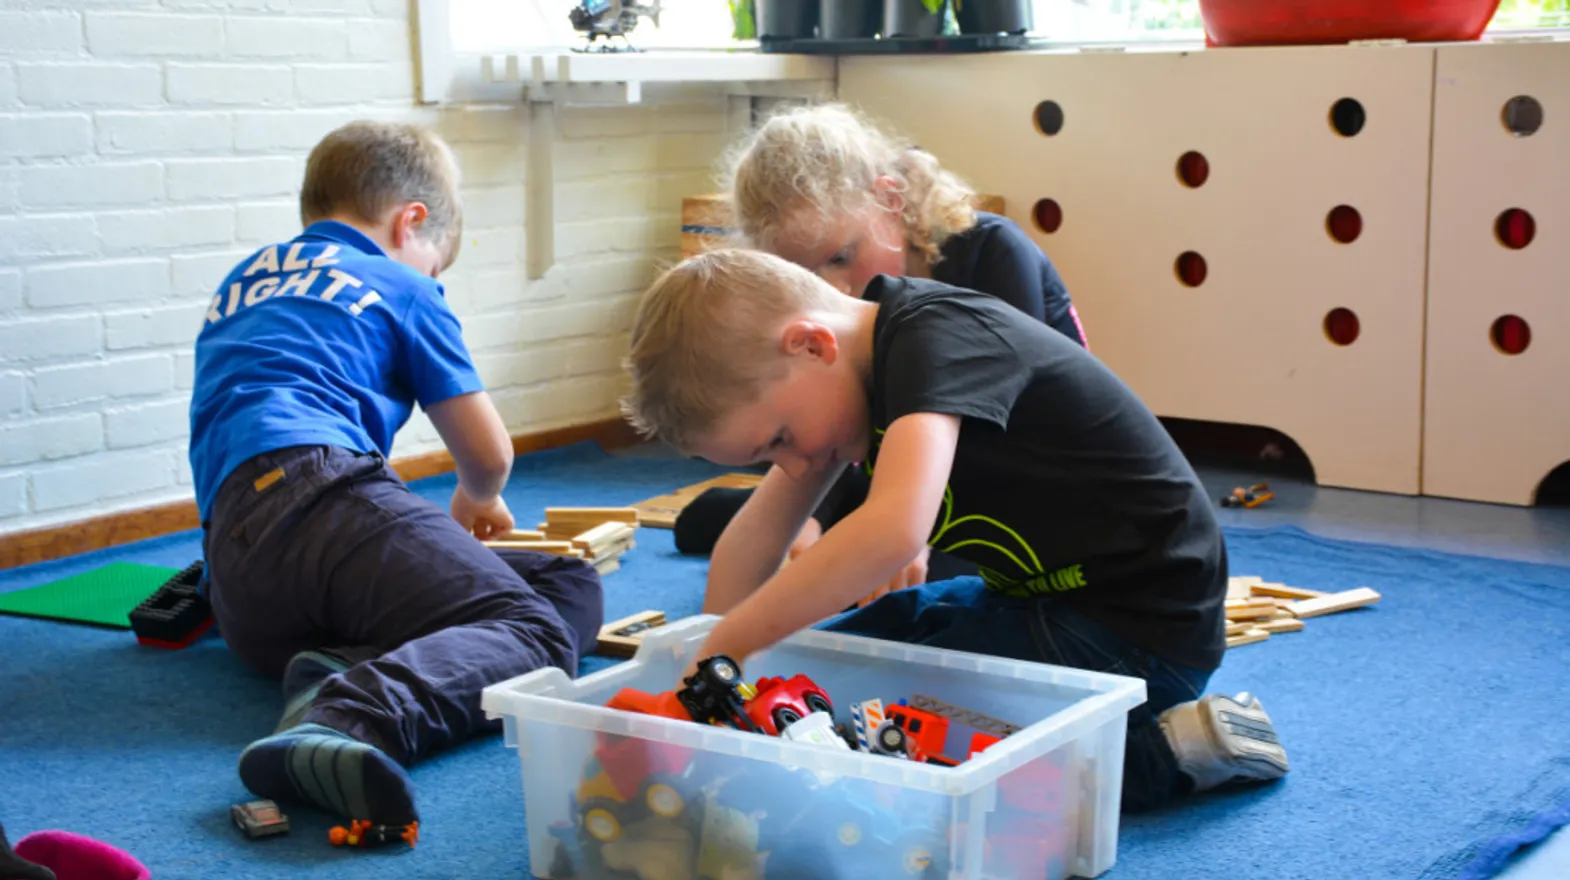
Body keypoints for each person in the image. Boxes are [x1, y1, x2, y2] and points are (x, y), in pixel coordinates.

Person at [621, 249, 1288, 813]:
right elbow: (751, 541)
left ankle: (1169, 753)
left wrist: (733, 641)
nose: (793, 465)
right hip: (1029, 604)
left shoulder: (938, 340)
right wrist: (705, 694)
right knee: (827, 679)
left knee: (894, 741)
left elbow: (894, 531)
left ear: (812, 344)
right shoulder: (831, 380)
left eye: (781, 440)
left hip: (1140, 632)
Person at [187, 120, 603, 828]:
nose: (433, 280)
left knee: (565, 576)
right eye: (438, 264)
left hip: (241, 587)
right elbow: (489, 454)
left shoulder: (248, 277)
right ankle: (351, 716)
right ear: (412, 222)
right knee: (533, 626)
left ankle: (333, 667)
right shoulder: (398, 284)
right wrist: (479, 495)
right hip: (321, 494)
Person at [675, 101, 1089, 599]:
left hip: (1010, 472)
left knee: (927, 582)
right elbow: (840, 428)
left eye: (841, 256)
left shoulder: (992, 252)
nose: (836, 288)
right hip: (897, 469)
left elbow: (994, 433)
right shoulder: (843, 316)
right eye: (806, 275)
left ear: (890, 201)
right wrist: (809, 519)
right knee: (708, 523)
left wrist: (906, 531)